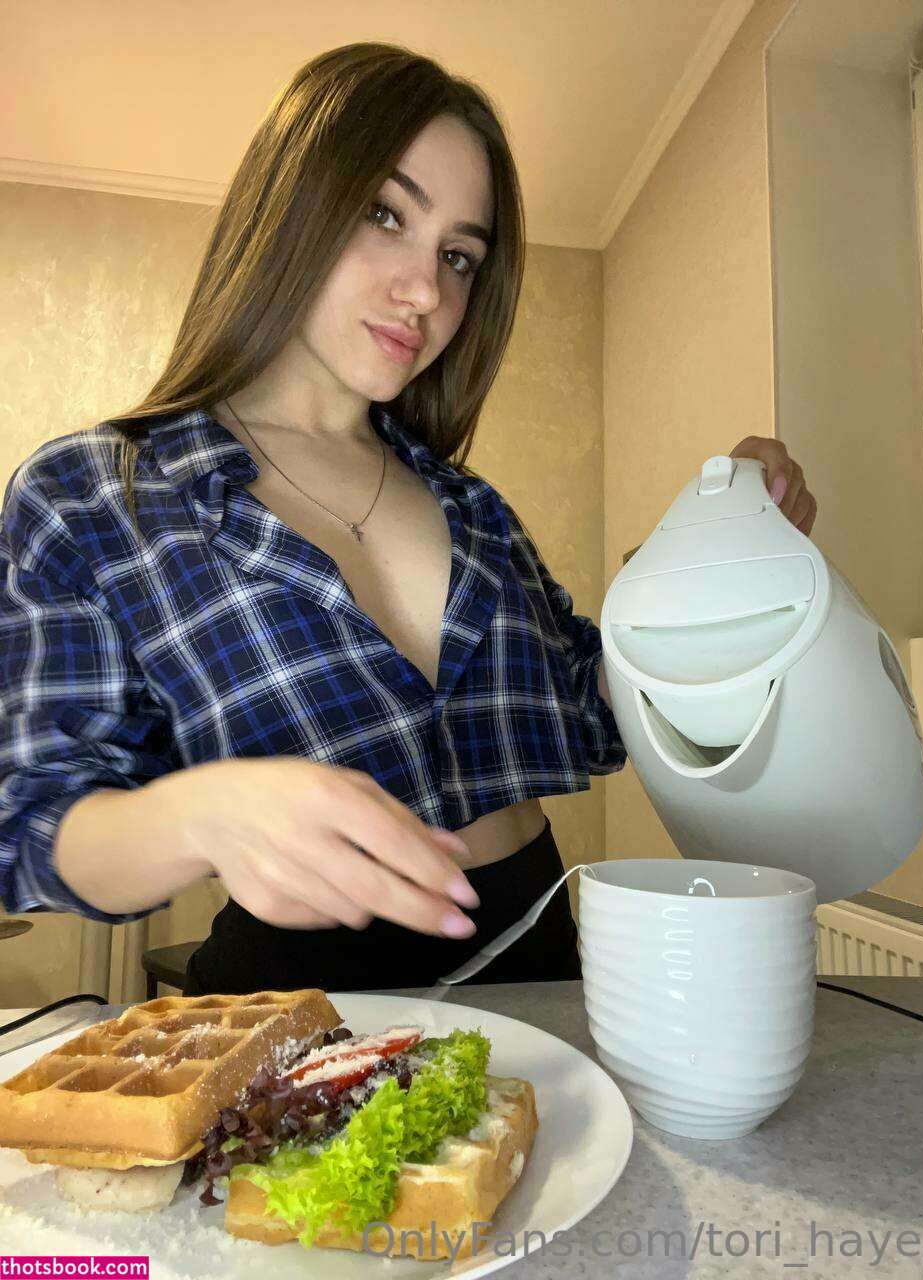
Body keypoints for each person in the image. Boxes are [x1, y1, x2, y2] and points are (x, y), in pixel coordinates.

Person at [0, 43, 817, 997]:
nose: (426, 292)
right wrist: (198, 815)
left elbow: (596, 713)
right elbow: (30, 824)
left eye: (458, 256)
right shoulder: (98, 494)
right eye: (385, 215)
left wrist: (701, 558)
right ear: (291, 206)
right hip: (307, 1008)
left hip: (546, 981)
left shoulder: (474, 510)